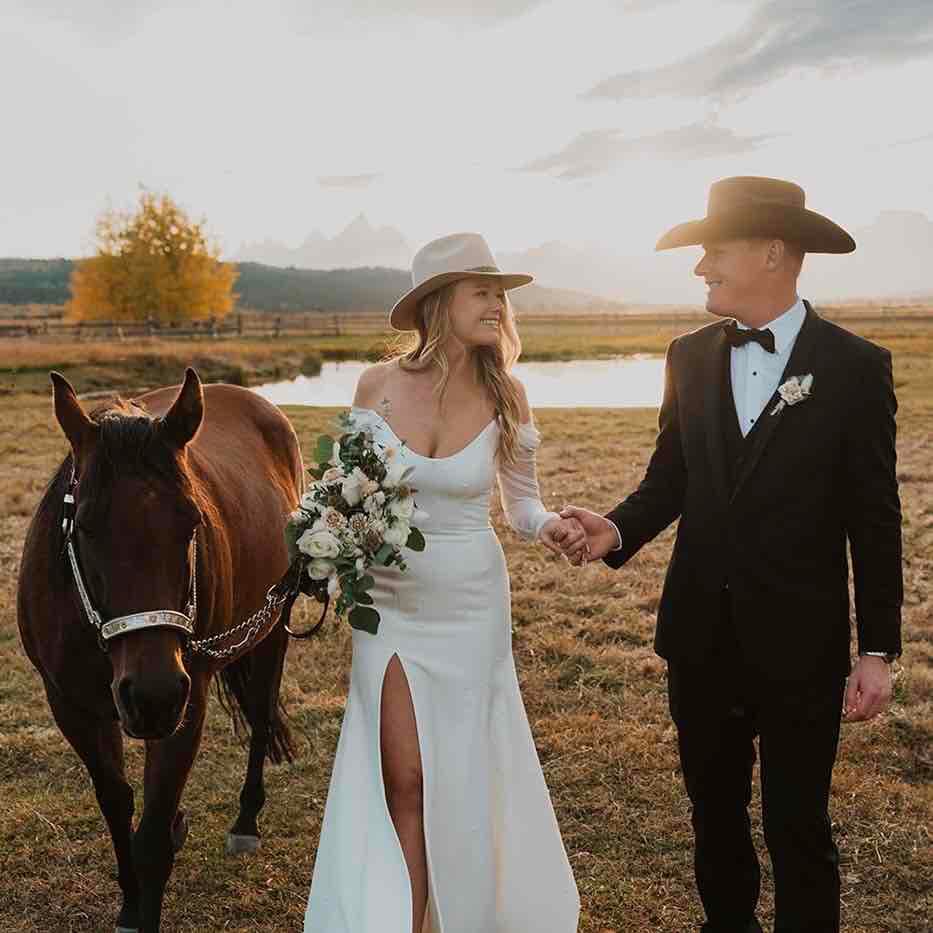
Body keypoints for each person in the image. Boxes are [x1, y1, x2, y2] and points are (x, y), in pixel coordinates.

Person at [557, 177, 903, 933]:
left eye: (713, 250)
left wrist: (876, 648)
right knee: (713, 818)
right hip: (700, 637)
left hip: (801, 646)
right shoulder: (687, 355)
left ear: (772, 251)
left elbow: (874, 520)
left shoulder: (853, 367)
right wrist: (610, 529)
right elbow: (668, 480)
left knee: (796, 827)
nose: (699, 267)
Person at [303, 232, 583, 933]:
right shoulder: (376, 385)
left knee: (460, 778)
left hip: (471, 604)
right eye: (481, 290)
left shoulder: (506, 392)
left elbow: (519, 503)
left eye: (500, 293)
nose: (497, 304)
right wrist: (325, 547)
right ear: (438, 301)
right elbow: (344, 491)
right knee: (404, 778)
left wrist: (547, 525)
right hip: (390, 608)